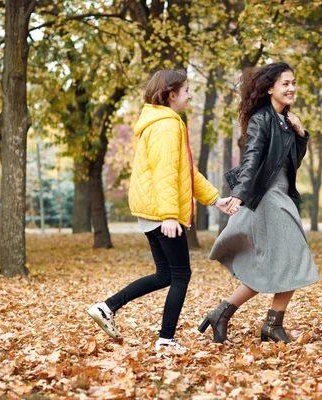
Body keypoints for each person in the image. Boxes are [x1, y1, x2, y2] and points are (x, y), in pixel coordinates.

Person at [88, 70, 231, 351]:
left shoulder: (161, 123)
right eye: (187, 90)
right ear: (171, 94)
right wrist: (169, 215)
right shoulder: (166, 126)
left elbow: (185, 172)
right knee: (181, 275)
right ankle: (166, 340)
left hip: (151, 212)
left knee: (165, 275)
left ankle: (107, 307)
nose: (191, 95)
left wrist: (215, 200)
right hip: (161, 213)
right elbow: (165, 174)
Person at [199, 62, 320, 344]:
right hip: (266, 198)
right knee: (294, 257)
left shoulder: (286, 121)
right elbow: (251, 159)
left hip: (282, 196)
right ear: (269, 89)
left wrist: (300, 136)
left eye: (293, 83)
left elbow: (291, 164)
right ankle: (270, 325)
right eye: (285, 84)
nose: (291, 88)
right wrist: (239, 194)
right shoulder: (261, 119)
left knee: (277, 264)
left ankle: (225, 313)